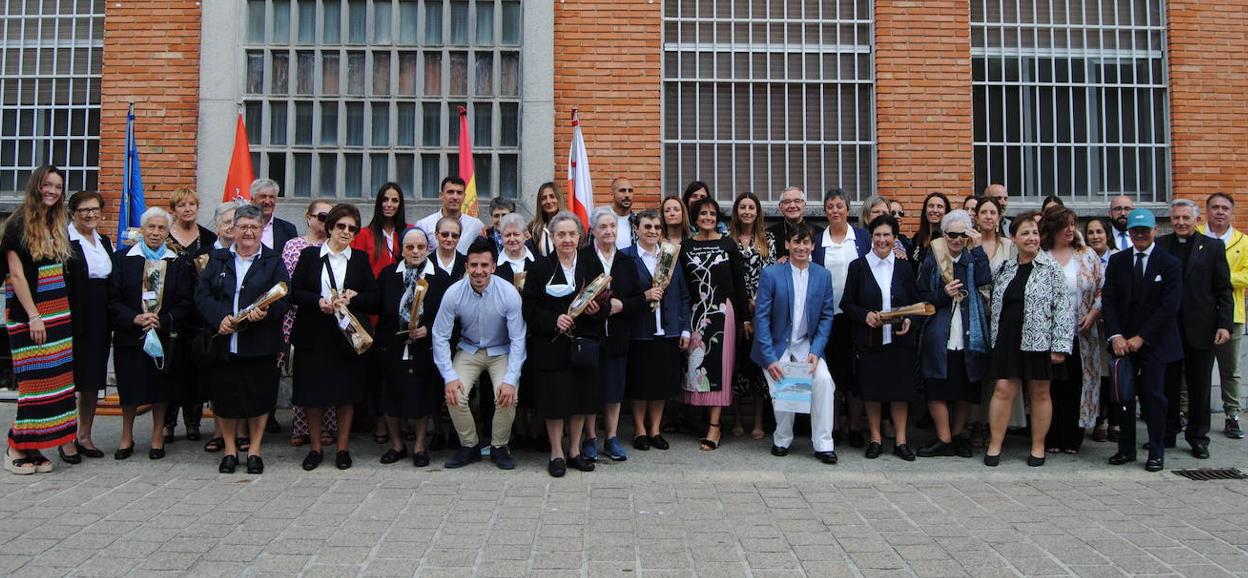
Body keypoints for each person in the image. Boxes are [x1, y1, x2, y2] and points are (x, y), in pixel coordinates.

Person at [195, 204, 290, 474]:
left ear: (262, 230)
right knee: (225, 398)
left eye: (254, 227)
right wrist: (219, 317)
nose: (248, 232)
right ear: (233, 230)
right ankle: (229, 450)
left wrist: (268, 312)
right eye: (243, 226)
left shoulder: (273, 261)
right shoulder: (219, 259)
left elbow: (286, 299)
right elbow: (202, 296)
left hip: (260, 343)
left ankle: (255, 450)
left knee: (259, 397)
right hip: (225, 341)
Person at [290, 203, 379, 471]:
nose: (346, 231)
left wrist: (355, 297)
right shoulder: (309, 256)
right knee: (313, 393)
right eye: (341, 226)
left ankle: (342, 448)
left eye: (352, 228)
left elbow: (375, 299)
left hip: (347, 337)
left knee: (345, 393)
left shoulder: (360, 260)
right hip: (314, 332)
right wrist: (319, 302)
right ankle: (316, 448)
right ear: (329, 227)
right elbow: (295, 292)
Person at [3, 166, 79, 474]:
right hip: (31, 315)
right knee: (34, 384)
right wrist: (34, 316)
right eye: (47, 185)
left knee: (55, 384)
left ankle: (33, 446)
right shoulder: (17, 224)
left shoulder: (56, 222)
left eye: (58, 187)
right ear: (36, 186)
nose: (52, 191)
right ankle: (14, 446)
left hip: (58, 314)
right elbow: (16, 275)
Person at [983, 215, 1074, 467]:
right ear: (1014, 238)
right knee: (1003, 390)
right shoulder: (1005, 268)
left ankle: (1038, 446)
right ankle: (995, 444)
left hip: (1040, 340)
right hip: (1008, 340)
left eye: (1034, 232)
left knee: (1040, 393)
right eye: (1025, 233)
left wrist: (1060, 346)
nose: (1031, 238)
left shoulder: (1051, 268)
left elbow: (1064, 309)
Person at [522, 213, 607, 476]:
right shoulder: (539, 267)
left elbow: (605, 305)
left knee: (581, 398)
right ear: (552, 237)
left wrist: (595, 311)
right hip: (551, 346)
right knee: (555, 401)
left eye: (572, 234)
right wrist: (552, 320)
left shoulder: (592, 264)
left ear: (580, 237)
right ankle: (556, 452)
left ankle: (575, 451)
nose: (567, 240)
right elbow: (528, 309)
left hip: (583, 346)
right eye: (561, 235)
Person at [108, 207, 194, 460]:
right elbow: (112, 299)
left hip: (163, 334)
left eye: (161, 228)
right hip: (131, 333)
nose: (156, 233)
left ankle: (157, 435)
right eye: (151, 227)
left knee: (160, 387)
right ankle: (126, 436)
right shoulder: (123, 258)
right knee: (130, 387)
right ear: (142, 229)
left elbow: (185, 302)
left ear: (168, 232)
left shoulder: (176, 262)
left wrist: (163, 319)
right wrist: (133, 317)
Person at [433, 238, 526, 470]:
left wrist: (511, 379)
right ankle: (469, 445)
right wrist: (449, 376)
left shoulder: (508, 293)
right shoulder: (454, 293)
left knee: (506, 395)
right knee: (454, 394)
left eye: (484, 265)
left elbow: (518, 340)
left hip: (500, 350)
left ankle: (499, 446)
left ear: (493, 267)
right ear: (466, 267)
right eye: (473, 265)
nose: (479, 271)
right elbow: (440, 335)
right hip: (469, 349)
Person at [1103, 208, 1182, 471]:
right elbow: (1110, 301)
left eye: (1144, 231)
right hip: (1122, 343)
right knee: (1124, 397)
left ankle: (1156, 452)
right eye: (1135, 231)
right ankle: (1125, 449)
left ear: (1154, 231)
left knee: (1153, 397)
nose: (1140, 235)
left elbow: (1169, 307)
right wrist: (1116, 336)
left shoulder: (1169, 263)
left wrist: (1142, 337)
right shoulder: (1118, 261)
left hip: (1155, 344)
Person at [752, 223, 838, 464]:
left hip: (807, 345)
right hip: (776, 345)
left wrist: (816, 351)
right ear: (787, 244)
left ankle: (823, 444)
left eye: (806, 242)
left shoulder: (823, 275)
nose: (801, 247)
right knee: (782, 384)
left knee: (823, 380)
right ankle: (782, 438)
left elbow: (826, 316)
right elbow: (761, 318)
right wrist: (769, 359)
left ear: (812, 246)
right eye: (796, 242)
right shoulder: (772, 274)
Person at [1156, 199, 1233, 459]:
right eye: (1176, 218)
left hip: (1201, 328)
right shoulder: (1161, 245)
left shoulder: (1212, 247)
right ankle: (1166, 433)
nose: (1180, 222)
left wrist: (1224, 324)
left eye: (1185, 218)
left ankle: (1198, 438)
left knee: (1199, 386)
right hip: (1168, 330)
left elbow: (1223, 290)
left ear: (1196, 219)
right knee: (1167, 384)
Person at [841, 215, 920, 461]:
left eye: (887, 235)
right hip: (870, 340)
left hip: (899, 341)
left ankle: (901, 440)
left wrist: (909, 319)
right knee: (872, 391)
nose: (882, 240)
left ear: (895, 239)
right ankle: (875, 438)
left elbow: (915, 303)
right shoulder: (858, 266)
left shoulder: (904, 267)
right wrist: (865, 315)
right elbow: (847, 303)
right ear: (870, 238)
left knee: (899, 392)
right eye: (877, 235)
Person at [916, 210, 990, 458]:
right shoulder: (933, 260)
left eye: (962, 235)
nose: (957, 240)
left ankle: (957, 436)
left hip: (969, 332)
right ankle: (944, 437)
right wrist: (942, 294)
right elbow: (922, 297)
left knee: (965, 389)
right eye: (952, 235)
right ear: (944, 235)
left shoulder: (973, 258)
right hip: (940, 333)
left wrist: (978, 248)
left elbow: (985, 281)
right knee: (936, 387)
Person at [681, 197, 749, 451]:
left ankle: (715, 426)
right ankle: (696, 419)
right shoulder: (685, 247)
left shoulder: (727, 244)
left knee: (720, 368)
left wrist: (744, 319)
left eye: (712, 214)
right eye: (703, 214)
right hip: (696, 315)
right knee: (697, 366)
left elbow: (739, 285)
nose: (708, 218)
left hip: (723, 313)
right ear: (695, 218)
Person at [1039, 207, 1105, 455]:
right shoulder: (1042, 255)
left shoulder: (1087, 255)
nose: (1071, 229)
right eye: (1065, 225)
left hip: (1082, 333)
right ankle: (1051, 435)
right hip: (1049, 335)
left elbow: (1102, 289)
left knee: (1078, 384)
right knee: (1053, 386)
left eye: (1073, 224)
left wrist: (1093, 313)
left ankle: (1073, 436)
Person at [624, 210, 691, 451]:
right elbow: (622, 295)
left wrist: (685, 329)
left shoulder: (670, 256)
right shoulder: (626, 258)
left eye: (656, 227)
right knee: (641, 384)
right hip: (640, 331)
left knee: (661, 384)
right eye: (647, 226)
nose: (652, 231)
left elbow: (684, 295)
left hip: (668, 329)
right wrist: (644, 296)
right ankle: (639, 430)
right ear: (637, 230)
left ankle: (655, 429)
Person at [376, 227, 443, 467]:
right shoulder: (388, 274)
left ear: (428, 249)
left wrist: (429, 328)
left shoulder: (439, 277)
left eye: (421, 247)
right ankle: (397, 445)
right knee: (390, 396)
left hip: (423, 345)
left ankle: (419, 446)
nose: (415, 251)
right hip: (392, 343)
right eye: (410, 247)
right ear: (402, 249)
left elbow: (448, 314)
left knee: (422, 396)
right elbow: (376, 303)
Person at [581, 208, 643, 462]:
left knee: (614, 388)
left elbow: (639, 299)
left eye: (612, 227)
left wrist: (622, 305)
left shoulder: (627, 261)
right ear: (593, 231)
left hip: (618, 333)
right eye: (603, 227)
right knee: (590, 387)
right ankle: (590, 438)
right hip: (590, 333)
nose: (608, 231)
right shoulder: (583, 258)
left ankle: (612, 437)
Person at [813, 189, 871, 446]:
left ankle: (856, 426)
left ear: (848, 209)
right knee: (833, 374)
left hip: (857, 316)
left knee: (856, 374)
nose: (835, 211)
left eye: (839, 206)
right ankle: (834, 425)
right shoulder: (817, 241)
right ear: (825, 212)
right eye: (830, 207)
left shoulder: (862, 238)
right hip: (828, 318)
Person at [280, 199, 338, 449]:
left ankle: (329, 426)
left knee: (329, 373)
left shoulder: (335, 245)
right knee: (301, 374)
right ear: (309, 217)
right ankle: (301, 426)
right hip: (297, 314)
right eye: (322, 216)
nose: (326, 222)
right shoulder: (294, 246)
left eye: (330, 218)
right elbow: (287, 281)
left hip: (330, 316)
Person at [163, 187, 217, 444]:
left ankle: (193, 421)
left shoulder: (208, 238)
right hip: (171, 311)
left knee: (196, 367)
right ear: (173, 210)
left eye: (192, 204)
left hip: (198, 313)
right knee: (172, 367)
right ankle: (168, 422)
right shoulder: (163, 236)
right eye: (182, 205)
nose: (187, 209)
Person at [66, 191, 113, 461]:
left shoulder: (104, 241)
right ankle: (65, 437)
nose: (90, 214)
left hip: (100, 317)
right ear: (73, 213)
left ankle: (85, 434)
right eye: (84, 210)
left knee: (91, 379)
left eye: (94, 209)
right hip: (73, 316)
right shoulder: (64, 241)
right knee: (69, 380)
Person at [1198, 192, 1248, 439]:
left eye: (1224, 208)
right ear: (1207, 210)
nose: (1219, 211)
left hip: (1232, 315)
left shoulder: (1243, 241)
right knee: (1192, 368)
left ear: (1232, 212)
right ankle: (1187, 412)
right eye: (1215, 207)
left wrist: (1221, 277)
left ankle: (1232, 415)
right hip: (1198, 314)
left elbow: (1247, 275)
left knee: (1230, 369)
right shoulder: (1196, 235)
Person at [729, 192, 773, 439]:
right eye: (742, 207)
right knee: (735, 365)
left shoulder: (767, 240)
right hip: (735, 310)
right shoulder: (728, 239)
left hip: (761, 310)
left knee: (758, 364)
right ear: (736, 211)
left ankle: (757, 421)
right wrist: (743, 307)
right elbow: (728, 277)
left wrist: (757, 303)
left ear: (757, 212)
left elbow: (771, 273)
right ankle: (736, 418)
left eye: (751, 207)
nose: (747, 211)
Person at [1083, 217, 1118, 442]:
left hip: (1112, 326)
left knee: (1113, 376)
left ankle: (1114, 421)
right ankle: (1098, 420)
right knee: (1097, 373)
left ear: (1107, 234)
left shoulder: (1118, 258)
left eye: (1099, 232)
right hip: (1089, 325)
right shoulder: (1083, 258)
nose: (1095, 236)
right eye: (1091, 232)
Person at [414, 177, 485, 254]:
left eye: (459, 193)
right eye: (450, 192)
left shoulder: (476, 225)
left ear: (464, 197)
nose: (455, 197)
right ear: (441, 195)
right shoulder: (424, 225)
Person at [353, 182, 408, 278]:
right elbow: (356, 268)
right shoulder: (363, 234)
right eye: (385, 199)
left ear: (400, 204)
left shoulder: (409, 232)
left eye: (394, 200)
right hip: (373, 290)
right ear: (379, 202)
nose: (389, 204)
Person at [767, 186, 824, 262]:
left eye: (797, 201)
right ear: (780, 207)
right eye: (787, 202)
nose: (792, 206)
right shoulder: (769, 235)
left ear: (804, 205)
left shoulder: (819, 233)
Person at [250, 178, 299, 251]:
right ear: (252, 200)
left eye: (271, 197)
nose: (267, 201)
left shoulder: (288, 229)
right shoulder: (242, 227)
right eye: (263, 196)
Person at [911, 192, 950, 267]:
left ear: (946, 211)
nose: (935, 210)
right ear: (925, 211)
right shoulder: (917, 238)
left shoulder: (950, 238)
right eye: (931, 206)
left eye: (940, 206)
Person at [496, 213, 535, 283]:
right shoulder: (493, 266)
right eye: (507, 235)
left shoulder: (541, 262)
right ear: (501, 237)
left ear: (525, 236)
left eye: (516, 234)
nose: (512, 239)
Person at [529, 182, 564, 257]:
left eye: (552, 196)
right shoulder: (532, 229)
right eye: (544, 198)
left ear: (559, 199)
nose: (548, 201)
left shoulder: (572, 225)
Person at [608, 177, 638, 249]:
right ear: (612, 194)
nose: (627, 195)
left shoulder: (639, 221)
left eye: (630, 191)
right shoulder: (601, 222)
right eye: (622, 190)